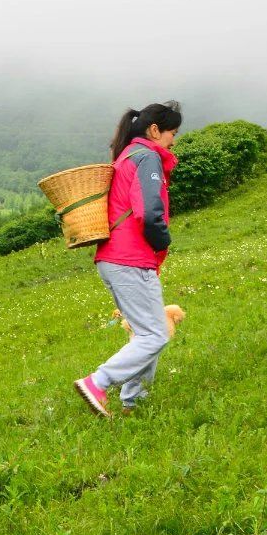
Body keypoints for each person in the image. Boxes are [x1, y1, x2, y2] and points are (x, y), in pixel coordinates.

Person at [75, 101, 181, 418]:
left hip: (115, 259)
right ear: (154, 131)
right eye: (172, 133)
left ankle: (131, 400)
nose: (174, 141)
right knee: (154, 334)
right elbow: (149, 213)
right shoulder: (147, 157)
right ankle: (97, 383)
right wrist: (163, 240)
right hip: (130, 259)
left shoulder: (125, 157)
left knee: (145, 331)